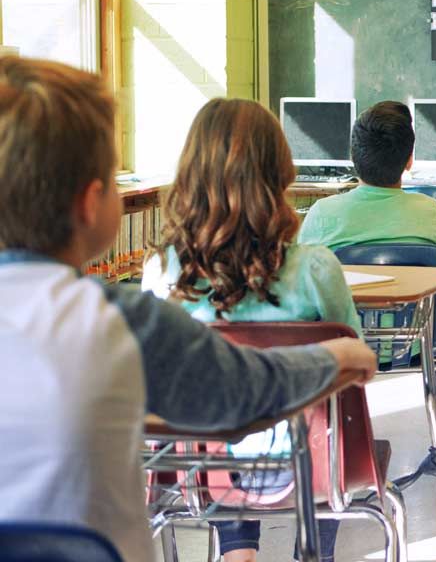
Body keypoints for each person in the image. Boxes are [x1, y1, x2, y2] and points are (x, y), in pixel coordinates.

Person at [0, 57, 376, 562]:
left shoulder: (160, 275)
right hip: (300, 462)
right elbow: (242, 390)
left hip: (207, 476)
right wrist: (342, 357)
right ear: (91, 204)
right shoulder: (120, 323)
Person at [142, 98, 363, 562]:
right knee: (317, 405)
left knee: (218, 395)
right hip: (310, 467)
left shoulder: (162, 271)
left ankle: (237, 552)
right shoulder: (314, 268)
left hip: (203, 470)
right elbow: (354, 360)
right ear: (279, 174)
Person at [298, 100, 436, 268]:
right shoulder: (431, 212)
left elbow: (301, 288)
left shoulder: (322, 214)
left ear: (352, 156)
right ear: (409, 161)